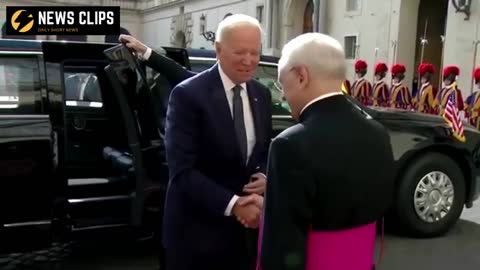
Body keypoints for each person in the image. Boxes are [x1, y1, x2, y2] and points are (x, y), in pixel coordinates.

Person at [127, 14, 271, 270]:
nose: (249, 61)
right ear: (218, 49)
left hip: (244, 237)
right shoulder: (187, 95)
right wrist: (235, 205)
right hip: (196, 237)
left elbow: (261, 151)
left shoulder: (262, 94)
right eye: (240, 52)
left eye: (255, 52)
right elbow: (182, 170)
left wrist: (264, 175)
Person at [257, 33, 395, 270]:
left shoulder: (290, 144)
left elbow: (282, 247)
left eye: (282, 83)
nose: (282, 94)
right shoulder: (378, 131)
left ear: (302, 76)